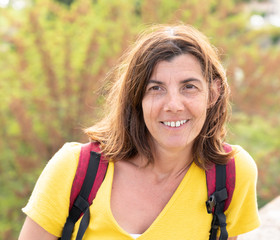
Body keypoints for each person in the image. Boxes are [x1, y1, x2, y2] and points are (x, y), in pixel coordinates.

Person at [18, 24, 260, 240]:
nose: (173, 105)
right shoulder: (73, 169)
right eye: (156, 88)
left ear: (214, 93)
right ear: (137, 97)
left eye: (189, 87)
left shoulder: (231, 174)